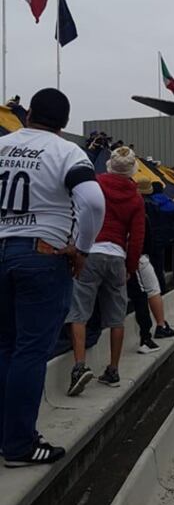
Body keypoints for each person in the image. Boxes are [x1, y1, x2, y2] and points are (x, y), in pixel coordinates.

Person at [0, 88, 105, 467]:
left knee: (5, 347)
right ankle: (18, 446)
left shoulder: (4, 144)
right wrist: (83, 247)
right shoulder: (66, 152)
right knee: (29, 350)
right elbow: (93, 201)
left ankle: (6, 436)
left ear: (28, 113)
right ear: (63, 123)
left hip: (3, 248)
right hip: (41, 255)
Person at [67, 146, 145, 396]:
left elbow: (79, 212)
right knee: (116, 317)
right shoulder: (135, 197)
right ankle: (113, 368)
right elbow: (137, 238)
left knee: (79, 311)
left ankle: (79, 366)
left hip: (90, 250)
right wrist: (130, 267)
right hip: (116, 256)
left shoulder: (96, 183)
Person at [134, 177, 174, 346]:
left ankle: (150, 330)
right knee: (152, 289)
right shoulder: (158, 205)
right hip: (144, 251)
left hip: (130, 250)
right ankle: (158, 326)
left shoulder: (136, 205)